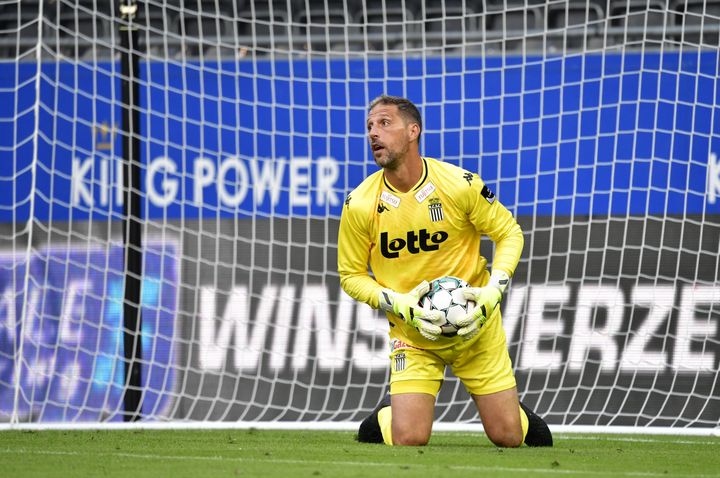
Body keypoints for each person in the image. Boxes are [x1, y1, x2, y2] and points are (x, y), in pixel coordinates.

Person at [337, 95, 552, 447]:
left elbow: (509, 232)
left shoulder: (459, 184)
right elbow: (351, 275)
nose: (374, 133)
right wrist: (398, 303)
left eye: (384, 123)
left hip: (476, 325)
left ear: (413, 131)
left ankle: (514, 414)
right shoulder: (360, 204)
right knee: (410, 438)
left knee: (509, 437)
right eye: (370, 126)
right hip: (413, 333)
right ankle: (386, 413)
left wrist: (493, 290)